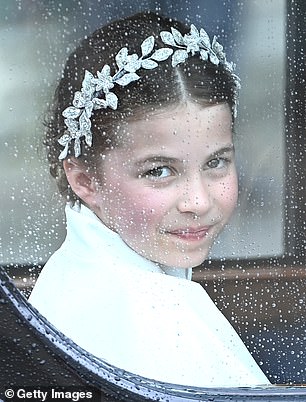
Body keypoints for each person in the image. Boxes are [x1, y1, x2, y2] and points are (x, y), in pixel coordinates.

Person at [29, 11, 269, 387]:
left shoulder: (78, 272)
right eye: (159, 171)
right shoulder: (154, 321)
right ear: (85, 179)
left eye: (216, 162)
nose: (198, 201)